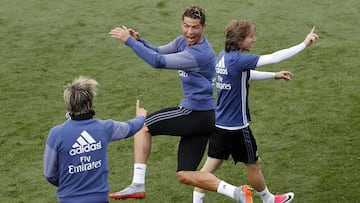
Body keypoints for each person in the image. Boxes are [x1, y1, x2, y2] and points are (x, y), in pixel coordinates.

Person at [108, 6, 252, 202]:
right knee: (184, 174)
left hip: (195, 113)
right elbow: (158, 51)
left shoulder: (199, 54)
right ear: (181, 24)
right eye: (186, 26)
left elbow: (158, 62)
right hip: (205, 117)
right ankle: (236, 192)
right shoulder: (182, 42)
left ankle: (138, 184)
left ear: (204, 27)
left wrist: (128, 42)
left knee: (142, 126)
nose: (190, 32)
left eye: (195, 27)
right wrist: (139, 41)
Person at [177, 20, 319, 203]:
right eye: (251, 36)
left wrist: (273, 75)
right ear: (239, 40)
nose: (254, 39)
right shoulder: (238, 59)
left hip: (219, 124)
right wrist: (304, 44)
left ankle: (197, 201)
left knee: (209, 167)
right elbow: (274, 58)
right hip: (237, 127)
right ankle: (269, 200)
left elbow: (243, 74)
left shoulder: (224, 56)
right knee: (254, 164)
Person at [43, 76, 147, 203]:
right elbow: (130, 128)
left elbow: (50, 174)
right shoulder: (104, 128)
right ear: (89, 104)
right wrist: (141, 117)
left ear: (69, 105)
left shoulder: (56, 134)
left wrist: (70, 182)